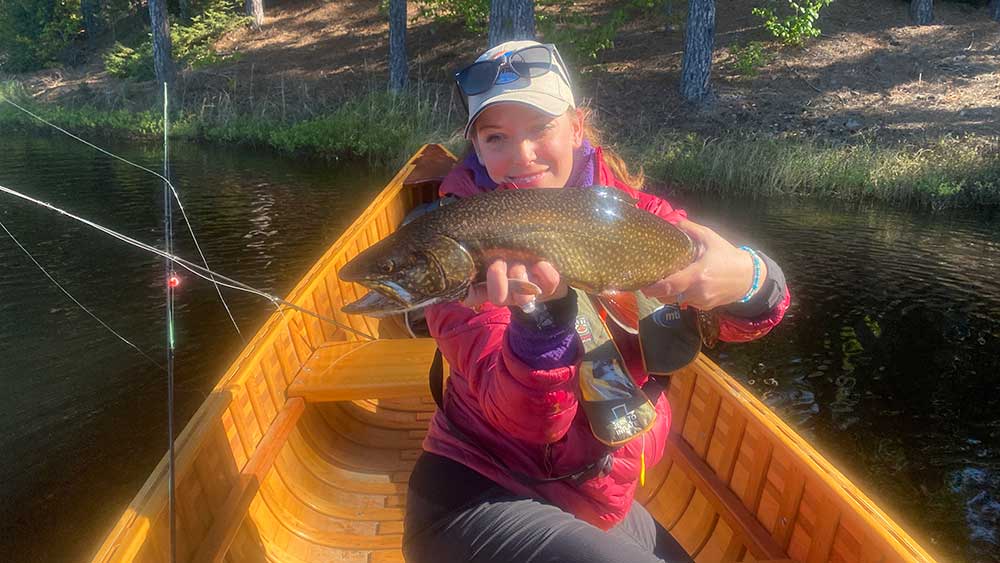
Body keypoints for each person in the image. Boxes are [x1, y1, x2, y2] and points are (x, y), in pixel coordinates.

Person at [402, 40, 791, 563]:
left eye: (540, 128)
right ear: (477, 147)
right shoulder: (463, 241)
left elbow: (743, 317)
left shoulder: (636, 217)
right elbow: (526, 423)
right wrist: (541, 326)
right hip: (477, 493)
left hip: (593, 498)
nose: (522, 155)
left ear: (577, 126)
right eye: (497, 137)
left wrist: (752, 280)